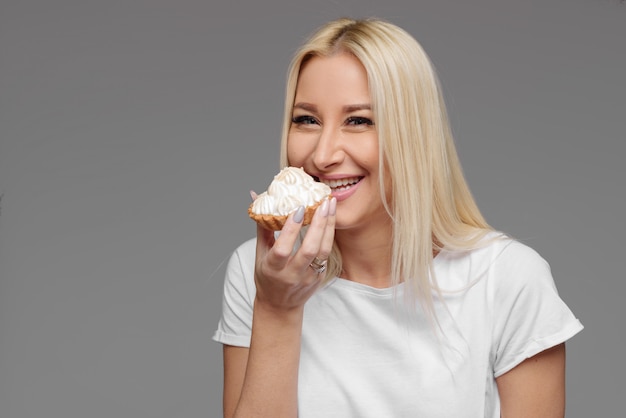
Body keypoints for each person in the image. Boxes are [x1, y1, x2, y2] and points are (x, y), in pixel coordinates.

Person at [213, 17, 583, 418]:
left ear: (413, 133)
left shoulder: (507, 279)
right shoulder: (260, 271)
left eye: (359, 121)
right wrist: (275, 309)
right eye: (307, 119)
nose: (322, 155)